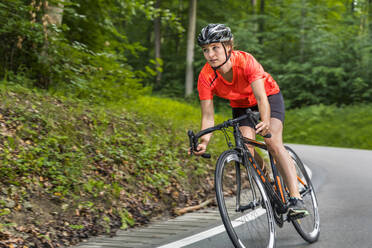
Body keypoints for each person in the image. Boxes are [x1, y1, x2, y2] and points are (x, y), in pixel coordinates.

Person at [192, 23, 308, 217]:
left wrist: (265, 120)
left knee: (272, 141)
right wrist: (204, 141)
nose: (210, 54)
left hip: (268, 97)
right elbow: (208, 116)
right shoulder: (205, 76)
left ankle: (296, 198)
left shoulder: (246, 61)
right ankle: (269, 180)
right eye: (205, 50)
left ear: (228, 47)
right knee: (245, 148)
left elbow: (262, 99)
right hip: (240, 106)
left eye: (215, 48)